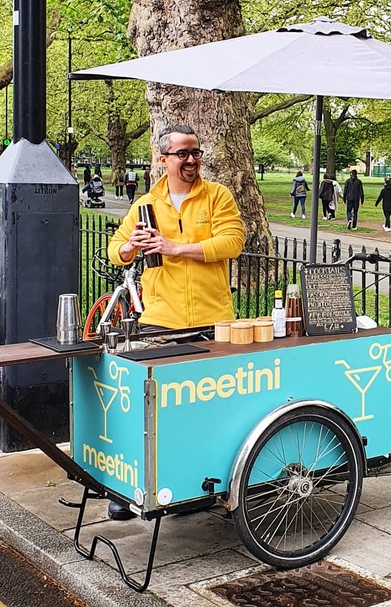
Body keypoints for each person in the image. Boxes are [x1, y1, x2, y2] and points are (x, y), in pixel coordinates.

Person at [107, 124, 245, 519]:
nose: (191, 160)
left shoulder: (217, 196)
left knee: (211, 409)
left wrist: (175, 247)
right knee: (152, 411)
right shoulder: (146, 204)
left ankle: (195, 486)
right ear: (163, 159)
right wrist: (130, 247)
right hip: (160, 321)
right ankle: (134, 490)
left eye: (195, 152)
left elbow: (232, 241)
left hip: (212, 320)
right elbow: (116, 248)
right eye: (182, 154)